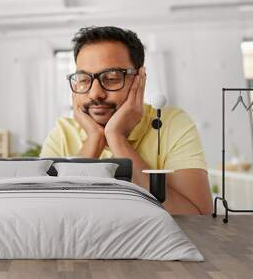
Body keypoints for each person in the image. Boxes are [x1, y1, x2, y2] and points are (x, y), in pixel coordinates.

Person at [40, 26, 212, 215]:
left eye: (112, 78)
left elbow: (198, 218)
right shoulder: (62, 132)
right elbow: (48, 216)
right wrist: (94, 140)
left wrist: (116, 139)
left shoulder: (172, 124)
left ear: (140, 79)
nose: (95, 93)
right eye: (83, 79)